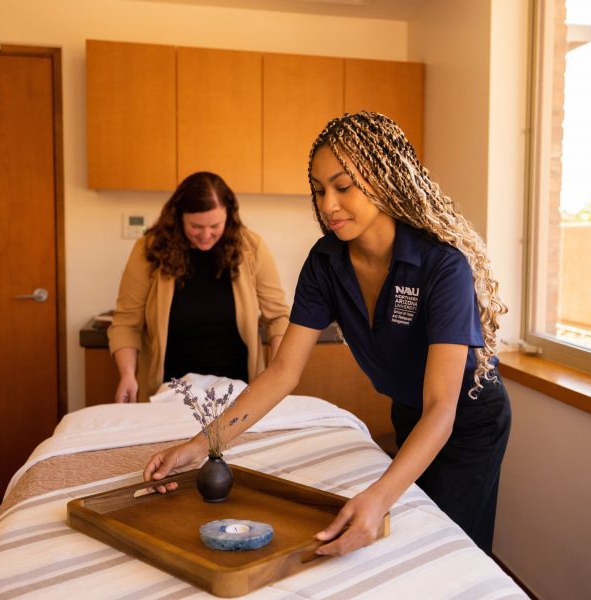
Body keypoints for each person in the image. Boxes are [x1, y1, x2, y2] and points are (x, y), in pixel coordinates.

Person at [143, 113, 512, 556]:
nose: (328, 204)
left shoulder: (442, 266)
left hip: (467, 420)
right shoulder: (326, 262)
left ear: (384, 179)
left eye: (343, 186)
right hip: (411, 412)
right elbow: (282, 372)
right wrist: (200, 446)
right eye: (319, 190)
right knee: (409, 533)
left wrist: (376, 498)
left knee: (448, 548)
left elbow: (442, 406)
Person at [108, 171, 290, 403]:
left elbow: (278, 318)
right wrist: (127, 375)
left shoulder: (251, 248)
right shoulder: (150, 250)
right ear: (178, 218)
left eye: (215, 225)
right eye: (196, 226)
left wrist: (278, 374)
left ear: (229, 217)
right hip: (170, 391)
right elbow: (126, 322)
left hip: (239, 390)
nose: (206, 235)